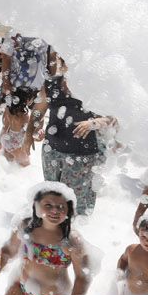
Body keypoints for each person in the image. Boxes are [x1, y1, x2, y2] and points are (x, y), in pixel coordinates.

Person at [41, 76, 116, 215]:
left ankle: (74, 227)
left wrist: (93, 123)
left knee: (74, 205)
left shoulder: (94, 85)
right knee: (51, 199)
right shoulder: (52, 83)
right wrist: (30, 133)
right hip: (51, 151)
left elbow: (113, 118)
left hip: (81, 156)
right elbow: (39, 107)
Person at [0, 88, 36, 167]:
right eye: (32, 98)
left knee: (8, 167)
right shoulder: (25, 115)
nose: (33, 100)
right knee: (26, 166)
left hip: (6, 140)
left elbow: (5, 125)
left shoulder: (8, 109)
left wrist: (1, 142)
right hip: (17, 143)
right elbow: (29, 132)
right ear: (27, 100)